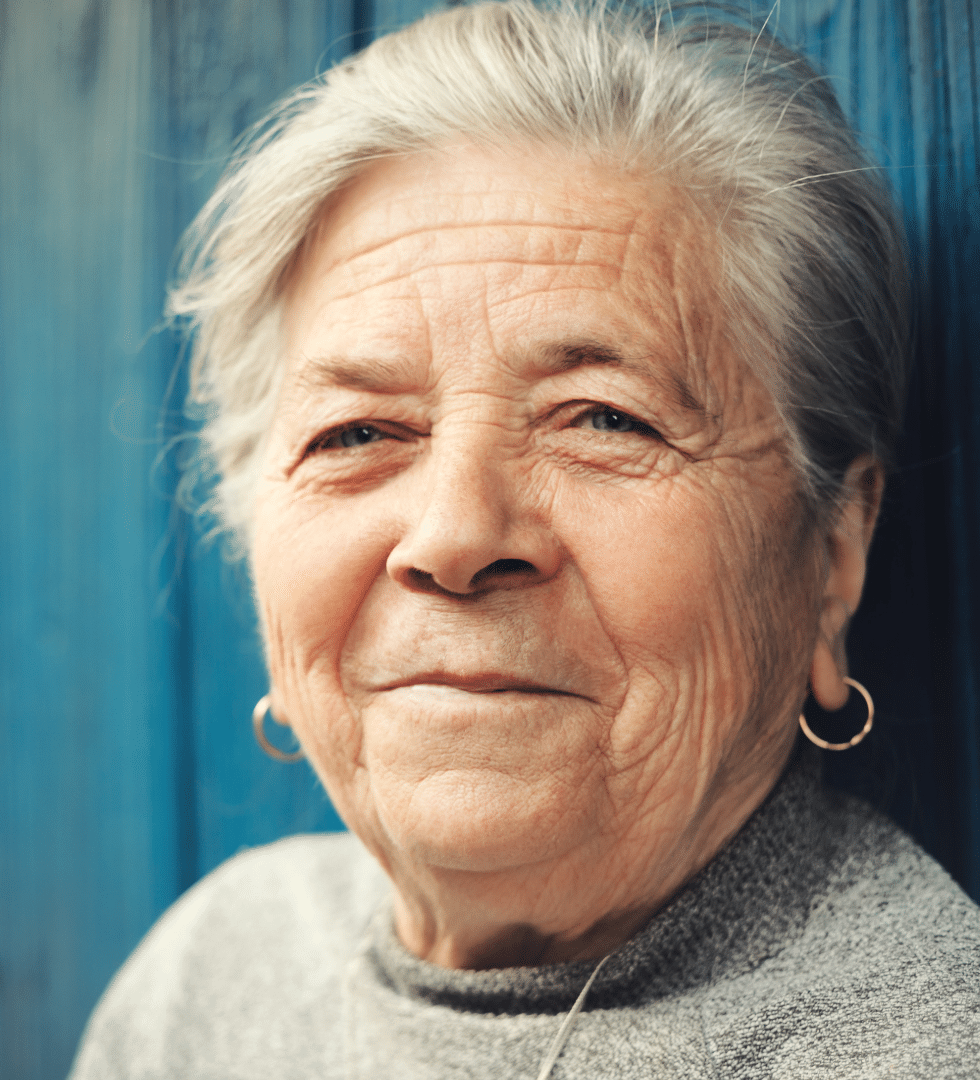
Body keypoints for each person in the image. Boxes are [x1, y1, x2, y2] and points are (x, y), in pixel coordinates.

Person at [69, 2, 980, 1076]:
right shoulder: (210, 981)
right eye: (357, 431)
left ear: (832, 554)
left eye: (605, 419)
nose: (455, 537)